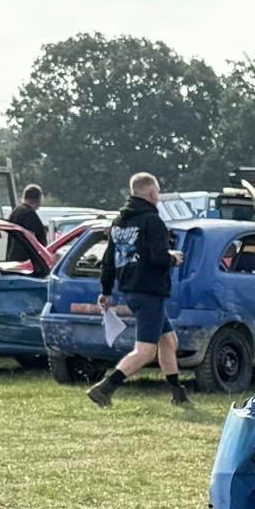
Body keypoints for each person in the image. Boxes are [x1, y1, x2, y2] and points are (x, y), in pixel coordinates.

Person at [88, 173, 187, 408]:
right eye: (158, 191)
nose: (158, 196)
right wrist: (173, 258)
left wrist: (106, 290)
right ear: (152, 194)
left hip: (131, 288)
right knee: (145, 351)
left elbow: (109, 260)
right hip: (149, 290)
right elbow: (157, 258)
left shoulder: (119, 222)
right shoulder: (152, 221)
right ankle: (105, 388)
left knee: (168, 339)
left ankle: (177, 392)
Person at [6, 185, 47, 263]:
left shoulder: (15, 212)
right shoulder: (29, 214)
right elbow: (33, 238)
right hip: (26, 260)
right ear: (39, 200)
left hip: (13, 259)